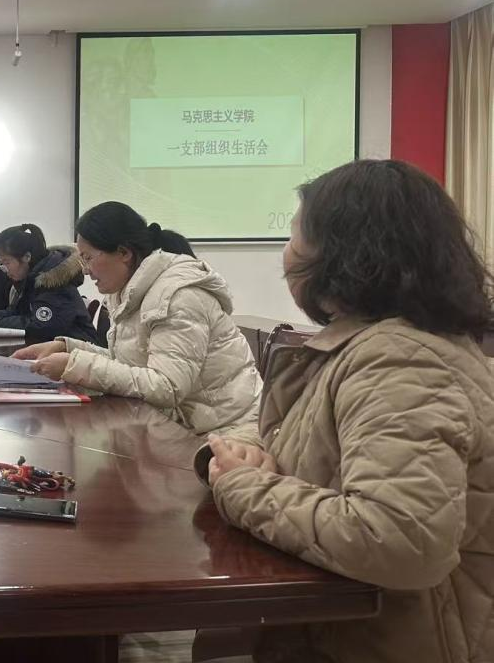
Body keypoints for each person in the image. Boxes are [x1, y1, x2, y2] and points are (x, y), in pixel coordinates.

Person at [198, 160, 494, 663]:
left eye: (295, 236)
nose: (286, 253)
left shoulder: (402, 358)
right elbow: (307, 431)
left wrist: (241, 487)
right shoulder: (377, 343)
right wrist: (237, 449)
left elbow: (399, 540)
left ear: (343, 254)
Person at [16, 202, 259, 435]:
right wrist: (67, 348)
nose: (85, 270)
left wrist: (74, 365)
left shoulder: (177, 296)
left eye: (88, 258)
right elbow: (129, 363)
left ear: (124, 253)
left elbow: (167, 386)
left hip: (228, 432)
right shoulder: (131, 292)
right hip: (185, 426)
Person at [0, 224, 98, 345]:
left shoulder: (52, 280)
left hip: (77, 350)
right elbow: (16, 312)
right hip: (53, 348)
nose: (5, 270)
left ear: (27, 257)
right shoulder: (31, 278)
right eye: (1, 264)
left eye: (6, 262)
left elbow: (42, 325)